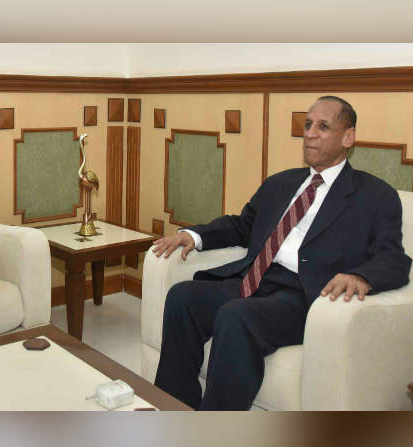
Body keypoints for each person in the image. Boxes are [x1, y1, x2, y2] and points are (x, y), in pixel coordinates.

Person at [151, 96, 411, 410]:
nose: (310, 133)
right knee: (182, 298)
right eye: (308, 124)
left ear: (348, 137)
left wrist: (361, 277)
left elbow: (393, 258)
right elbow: (244, 225)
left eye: (323, 127)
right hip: (255, 279)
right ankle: (172, 408)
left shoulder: (375, 196)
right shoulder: (281, 183)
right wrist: (193, 235)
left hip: (304, 295)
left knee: (236, 317)